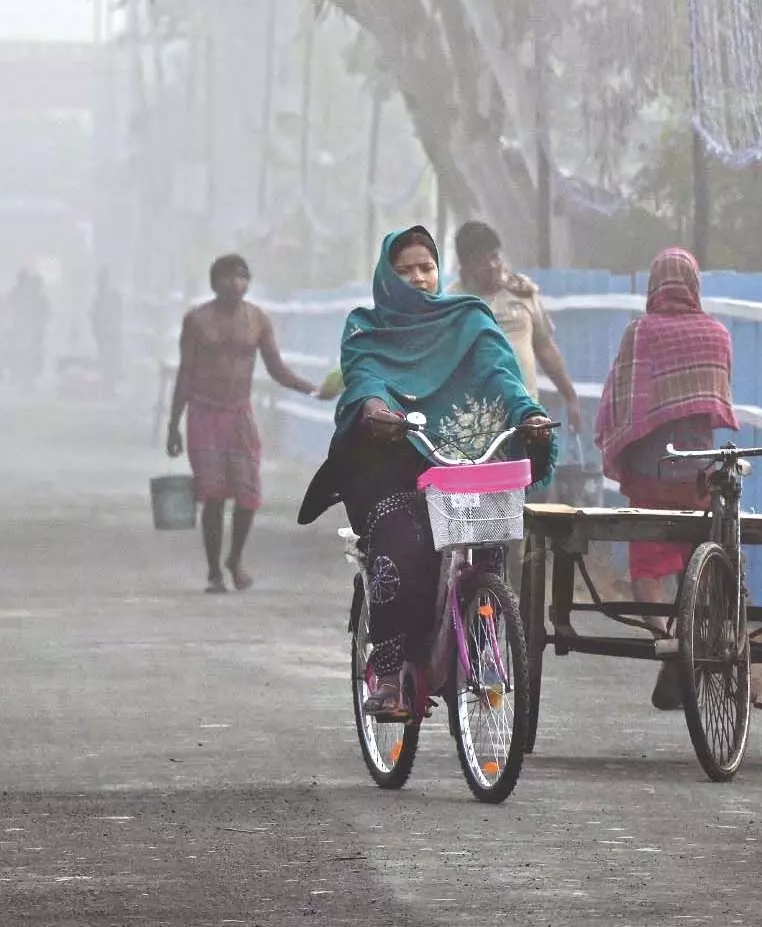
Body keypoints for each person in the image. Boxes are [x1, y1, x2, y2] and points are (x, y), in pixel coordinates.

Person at [298, 226, 557, 719]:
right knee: (406, 544)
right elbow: (366, 377)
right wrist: (376, 410)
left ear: (440, 270)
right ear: (387, 278)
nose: (418, 278)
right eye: (405, 271)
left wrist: (528, 414)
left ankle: (479, 652)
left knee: (488, 548)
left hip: (463, 460)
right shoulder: (366, 328)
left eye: (426, 267)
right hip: (393, 461)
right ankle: (391, 671)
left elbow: (501, 376)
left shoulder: (469, 319)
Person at [595, 248, 738, 710]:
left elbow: (624, 400)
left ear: (654, 285)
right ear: (694, 284)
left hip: (650, 474)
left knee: (647, 564)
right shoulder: (716, 334)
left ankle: (666, 638)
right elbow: (714, 403)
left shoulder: (641, 334)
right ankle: (693, 633)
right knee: (699, 551)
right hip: (698, 474)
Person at [167, 254, 318, 592]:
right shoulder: (196, 320)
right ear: (214, 282)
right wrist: (173, 424)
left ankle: (234, 558)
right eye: (228, 277)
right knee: (213, 494)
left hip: (239, 414)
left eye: (242, 277)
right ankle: (213, 572)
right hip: (204, 414)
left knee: (248, 493)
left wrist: (311, 389)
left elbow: (276, 368)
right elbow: (186, 373)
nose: (235, 283)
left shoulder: (257, 320)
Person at [450, 221, 585, 437]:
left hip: (526, 415)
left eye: (495, 256)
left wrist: (570, 396)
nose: (493, 266)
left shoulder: (522, 291)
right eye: (482, 261)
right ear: (465, 266)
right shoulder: (452, 302)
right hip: (474, 420)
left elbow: (545, 348)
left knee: (529, 469)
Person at [9, 270, 51, 386]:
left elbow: (45, 312)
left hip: (30, 330)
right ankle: (25, 379)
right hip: (25, 330)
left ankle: (27, 379)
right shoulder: (26, 295)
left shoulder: (30, 295)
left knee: (28, 355)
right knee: (25, 355)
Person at [91, 269, 125, 396]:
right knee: (107, 362)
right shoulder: (102, 296)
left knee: (109, 361)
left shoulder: (108, 296)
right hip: (106, 335)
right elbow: (96, 317)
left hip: (109, 335)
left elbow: (111, 315)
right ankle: (108, 388)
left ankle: (109, 388)